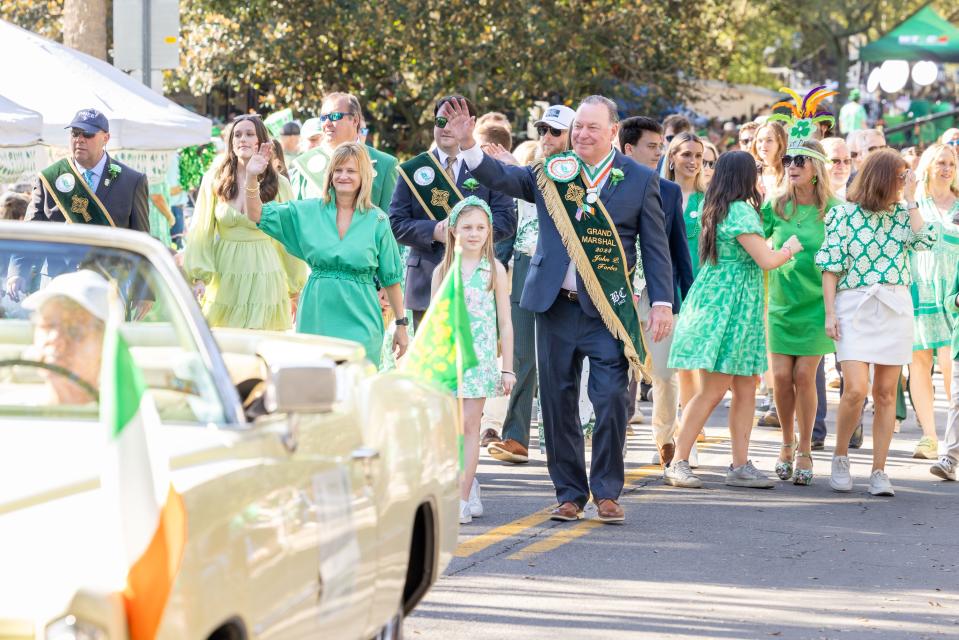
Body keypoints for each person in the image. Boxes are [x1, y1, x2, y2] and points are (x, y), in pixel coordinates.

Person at [444, 95, 674, 524]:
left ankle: (606, 491)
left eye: (592, 127)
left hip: (606, 311)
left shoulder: (639, 179)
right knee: (557, 402)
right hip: (554, 307)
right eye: (578, 127)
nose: (583, 134)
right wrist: (468, 143)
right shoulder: (553, 172)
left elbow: (655, 247)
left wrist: (662, 302)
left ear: (612, 131)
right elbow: (504, 178)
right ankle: (569, 493)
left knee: (609, 401)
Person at [665, 151, 802, 490]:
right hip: (729, 308)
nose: (759, 176)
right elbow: (767, 260)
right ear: (743, 176)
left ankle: (740, 464)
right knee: (713, 389)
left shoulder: (719, 207)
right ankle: (678, 460)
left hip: (729, 304)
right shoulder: (740, 209)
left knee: (744, 387)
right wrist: (791, 248)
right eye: (755, 171)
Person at [816, 149, 935, 496]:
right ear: (882, 177)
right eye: (901, 176)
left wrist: (912, 200)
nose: (905, 182)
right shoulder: (843, 215)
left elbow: (924, 241)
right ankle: (840, 457)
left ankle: (879, 470)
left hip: (895, 306)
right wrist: (830, 313)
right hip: (854, 304)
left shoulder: (903, 213)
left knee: (885, 392)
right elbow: (830, 267)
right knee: (855, 388)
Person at [243, 141, 408, 369]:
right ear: (330, 175)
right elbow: (256, 214)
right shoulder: (307, 211)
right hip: (317, 314)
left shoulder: (377, 220)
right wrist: (251, 177)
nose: (343, 176)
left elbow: (392, 277)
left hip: (362, 316)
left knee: (357, 383)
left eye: (351, 171)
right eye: (338, 170)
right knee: (317, 384)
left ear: (363, 176)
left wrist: (401, 324)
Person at [487, 105, 575, 464]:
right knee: (521, 355)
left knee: (557, 361)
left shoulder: (576, 174)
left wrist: (516, 168)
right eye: (543, 130)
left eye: (555, 131)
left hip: (562, 272)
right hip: (524, 264)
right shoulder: (529, 173)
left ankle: (558, 442)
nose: (547, 138)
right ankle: (515, 436)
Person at [389, 95, 516, 329]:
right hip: (426, 282)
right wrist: (435, 231)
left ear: (471, 125)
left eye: (454, 121)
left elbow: (507, 220)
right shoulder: (413, 169)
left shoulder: (489, 168)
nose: (446, 128)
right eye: (441, 121)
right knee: (429, 364)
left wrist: (473, 234)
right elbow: (395, 224)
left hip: (476, 283)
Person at [430, 196, 514, 524]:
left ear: (489, 232)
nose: (474, 233)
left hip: (479, 361)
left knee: (469, 426)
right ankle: (461, 484)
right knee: (449, 430)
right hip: (449, 362)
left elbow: (505, 323)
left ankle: (462, 498)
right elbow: (435, 324)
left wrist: (507, 367)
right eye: (467, 227)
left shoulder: (494, 269)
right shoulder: (443, 271)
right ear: (453, 231)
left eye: (480, 227)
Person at [7, 108, 149, 299]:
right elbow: (30, 232)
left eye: (88, 134)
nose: (79, 139)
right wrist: (17, 273)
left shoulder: (131, 180)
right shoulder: (50, 178)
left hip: (109, 287)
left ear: (106, 138)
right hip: (58, 284)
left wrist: (144, 292)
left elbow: (141, 240)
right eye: (75, 133)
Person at [762, 140, 840, 485]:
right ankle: (785, 443)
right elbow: (747, 240)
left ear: (816, 169)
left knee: (805, 377)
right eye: (788, 159)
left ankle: (806, 448)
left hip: (818, 307)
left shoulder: (834, 210)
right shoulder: (775, 206)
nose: (791, 165)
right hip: (780, 303)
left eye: (800, 160)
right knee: (780, 377)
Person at [184, 115, 306, 330]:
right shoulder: (214, 179)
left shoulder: (279, 184)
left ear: (261, 141)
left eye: (250, 134)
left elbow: (290, 236)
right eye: (237, 135)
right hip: (224, 274)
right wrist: (199, 277)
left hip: (265, 272)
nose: (243, 139)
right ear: (231, 143)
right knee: (222, 343)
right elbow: (201, 231)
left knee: (260, 342)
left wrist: (294, 288)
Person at [620, 116, 694, 466]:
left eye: (661, 147)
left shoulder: (669, 192)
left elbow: (678, 249)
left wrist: (688, 299)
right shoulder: (607, 187)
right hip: (617, 294)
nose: (659, 153)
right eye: (652, 146)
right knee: (619, 370)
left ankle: (665, 439)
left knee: (665, 372)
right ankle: (613, 439)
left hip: (656, 296)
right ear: (628, 148)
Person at [909, 143, 959, 459]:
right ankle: (929, 436)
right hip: (919, 288)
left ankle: (952, 437)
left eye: (951, 163)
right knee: (919, 362)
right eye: (940, 162)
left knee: (949, 364)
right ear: (928, 165)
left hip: (952, 294)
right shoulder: (915, 202)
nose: (946, 168)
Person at [289, 93, 399, 212]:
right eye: (323, 118)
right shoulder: (304, 164)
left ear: (355, 120)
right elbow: (295, 217)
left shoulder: (385, 165)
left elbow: (391, 223)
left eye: (335, 116)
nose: (326, 123)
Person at [21, 269, 109, 406]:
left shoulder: (130, 422)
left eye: (75, 329)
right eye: (47, 325)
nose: (55, 338)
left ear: (108, 343)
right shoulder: (10, 414)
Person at [750, 121, 787, 199]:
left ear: (780, 143)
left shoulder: (789, 171)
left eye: (769, 140)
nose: (763, 145)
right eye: (760, 141)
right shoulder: (751, 172)